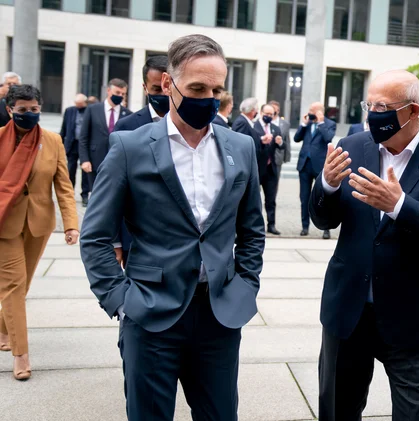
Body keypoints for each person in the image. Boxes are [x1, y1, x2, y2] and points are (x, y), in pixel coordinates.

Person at [80, 34, 265, 421]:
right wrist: (119, 299)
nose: (209, 99)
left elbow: (251, 229)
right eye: (197, 88)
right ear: (168, 84)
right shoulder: (129, 147)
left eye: (216, 89)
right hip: (149, 314)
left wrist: (245, 285)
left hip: (219, 314)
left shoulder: (240, 147)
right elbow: (96, 235)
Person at [310, 70, 419, 421]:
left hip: (412, 317)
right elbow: (324, 220)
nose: (373, 113)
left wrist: (400, 206)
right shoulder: (351, 147)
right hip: (349, 311)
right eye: (369, 104)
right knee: (337, 410)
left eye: (383, 106)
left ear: (413, 111)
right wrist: (326, 184)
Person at [0, 85, 79, 381]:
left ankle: (4, 328)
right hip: (4, 224)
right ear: (10, 110)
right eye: (23, 110)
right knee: (13, 285)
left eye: (34, 109)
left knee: (23, 284)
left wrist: (71, 223)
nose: (30, 115)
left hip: (38, 224)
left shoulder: (52, 140)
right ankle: (21, 355)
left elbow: (63, 186)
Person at [113, 55, 169, 267]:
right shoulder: (126, 128)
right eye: (156, 89)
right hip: (136, 239)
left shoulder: (192, 126)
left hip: (180, 240)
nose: (163, 94)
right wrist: (115, 240)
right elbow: (115, 189)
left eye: (167, 87)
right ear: (145, 87)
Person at [78, 78, 131, 191]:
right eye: (117, 93)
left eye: (123, 94)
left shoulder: (127, 114)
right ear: (108, 91)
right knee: (96, 194)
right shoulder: (93, 110)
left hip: (117, 163)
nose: (120, 96)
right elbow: (83, 137)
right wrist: (84, 160)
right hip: (95, 161)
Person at [295, 102, 337, 239]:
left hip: (320, 165)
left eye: (312, 110)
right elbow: (296, 138)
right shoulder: (307, 124)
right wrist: (303, 124)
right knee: (304, 197)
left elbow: (328, 138)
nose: (310, 112)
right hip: (305, 165)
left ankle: (326, 228)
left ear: (320, 112)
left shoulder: (329, 124)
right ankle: (304, 226)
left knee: (324, 198)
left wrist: (320, 123)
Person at [253, 103, 284, 235]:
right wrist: (261, 140)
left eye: (271, 115)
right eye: (266, 114)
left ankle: (271, 224)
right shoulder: (254, 126)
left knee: (271, 199)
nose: (269, 117)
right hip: (257, 167)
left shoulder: (275, 128)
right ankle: (255, 225)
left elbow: (282, 146)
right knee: (254, 198)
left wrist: (280, 142)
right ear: (261, 113)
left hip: (271, 169)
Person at [60, 93, 91, 206]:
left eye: (80, 104)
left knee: (85, 171)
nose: (78, 106)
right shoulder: (69, 111)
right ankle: (69, 194)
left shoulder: (89, 111)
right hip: (72, 144)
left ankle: (85, 195)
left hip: (84, 145)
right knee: (70, 170)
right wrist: (61, 142)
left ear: (85, 103)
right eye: (76, 104)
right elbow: (64, 128)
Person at [268, 100, 291, 176]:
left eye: (276, 109)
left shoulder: (285, 124)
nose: (274, 110)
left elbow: (287, 140)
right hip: (264, 157)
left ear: (278, 110)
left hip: (277, 157)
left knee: (274, 183)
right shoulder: (263, 121)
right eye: (272, 108)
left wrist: (287, 157)